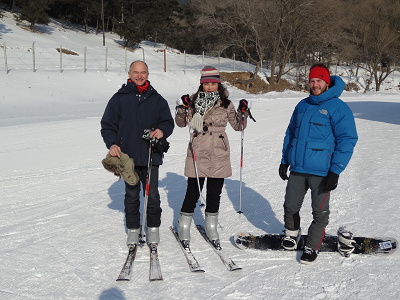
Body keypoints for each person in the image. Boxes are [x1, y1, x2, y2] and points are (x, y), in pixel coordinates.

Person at [279, 64, 358, 264]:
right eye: (312, 81)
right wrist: (284, 160)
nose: (315, 84)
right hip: (298, 168)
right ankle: (292, 234)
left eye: (319, 81)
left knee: (319, 211)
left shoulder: (338, 107)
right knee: (290, 206)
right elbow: (291, 133)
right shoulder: (302, 105)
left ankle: (311, 246)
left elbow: (347, 139)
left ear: (327, 82)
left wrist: (336, 170)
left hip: (322, 171)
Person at [175, 66, 251, 248]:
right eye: (206, 84)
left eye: (213, 84)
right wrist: (181, 108)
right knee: (193, 192)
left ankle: (211, 225)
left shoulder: (226, 104)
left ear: (218, 84)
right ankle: (183, 225)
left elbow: (238, 126)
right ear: (201, 85)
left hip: (218, 151)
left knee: (214, 193)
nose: (209, 87)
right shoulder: (192, 101)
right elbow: (180, 123)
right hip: (198, 148)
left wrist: (243, 112)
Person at [101, 61, 174, 247]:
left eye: (143, 72)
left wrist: (162, 130)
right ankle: (133, 230)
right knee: (131, 196)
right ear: (129, 73)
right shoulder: (119, 98)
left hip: (151, 155)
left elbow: (167, 121)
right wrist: (112, 144)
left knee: (152, 196)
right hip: (128, 157)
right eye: (136, 72)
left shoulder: (157, 99)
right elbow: (108, 125)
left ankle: (153, 229)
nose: (139, 76)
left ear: (148, 74)